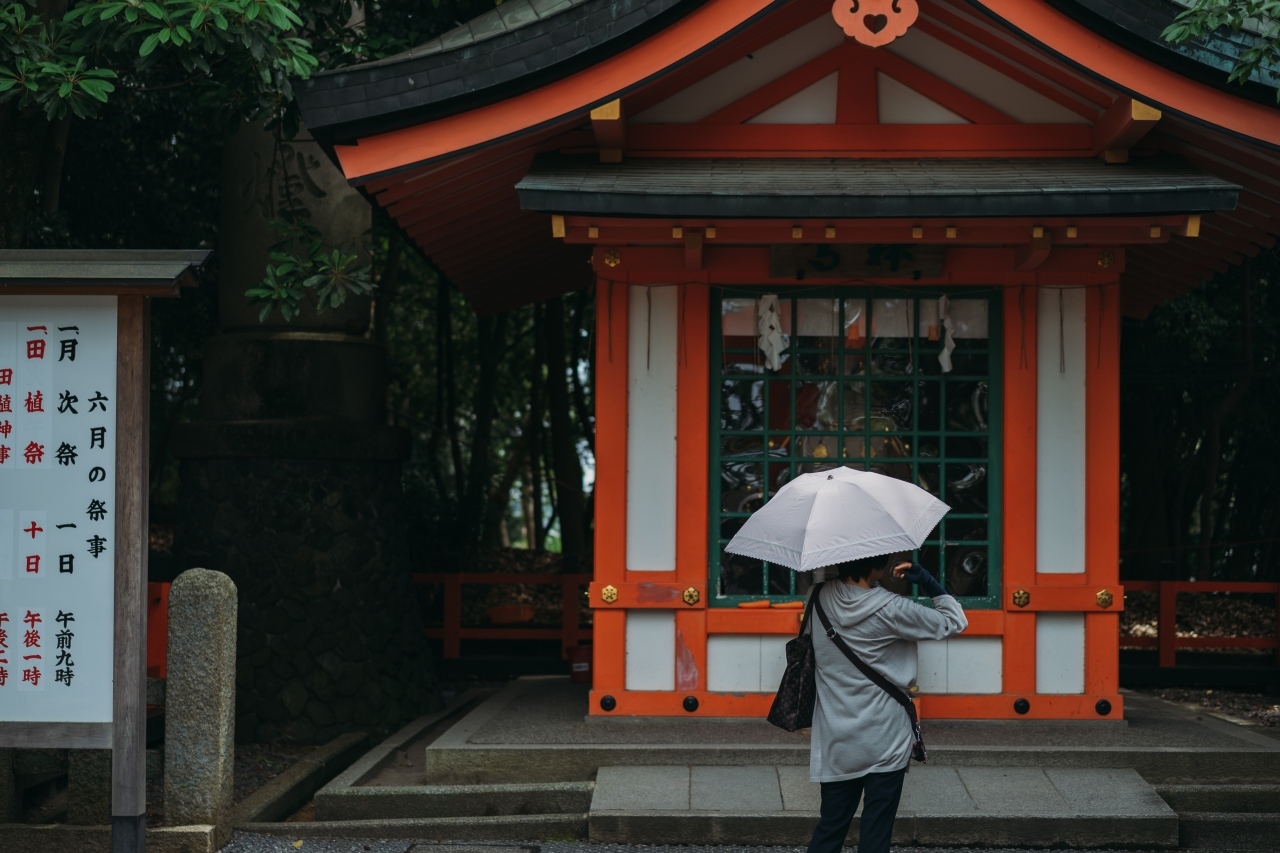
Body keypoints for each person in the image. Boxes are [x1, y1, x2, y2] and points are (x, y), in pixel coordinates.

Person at [805, 554, 968, 853]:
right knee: (876, 831)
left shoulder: (816, 598)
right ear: (878, 566)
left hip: (835, 734)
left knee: (830, 828)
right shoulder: (894, 608)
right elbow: (955, 621)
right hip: (885, 734)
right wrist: (927, 581)